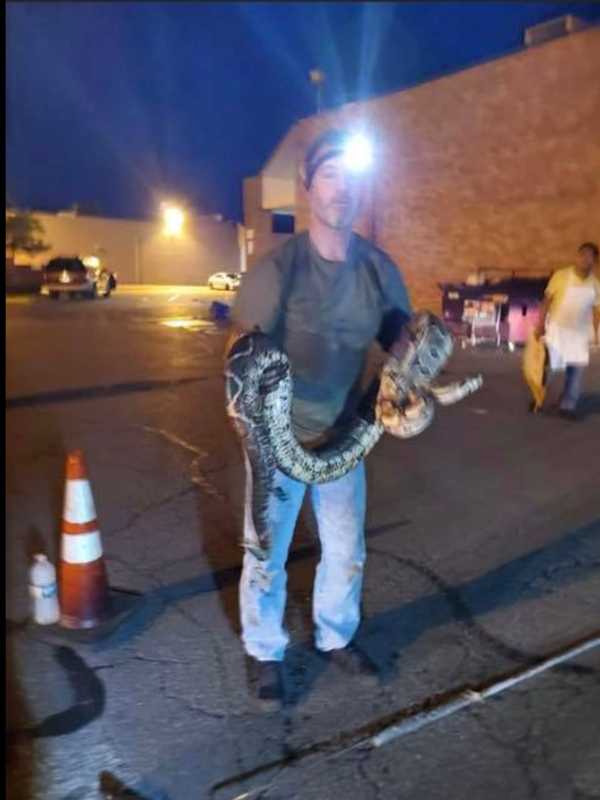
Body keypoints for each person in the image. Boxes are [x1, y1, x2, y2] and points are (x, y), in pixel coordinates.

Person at [226, 128, 413, 708]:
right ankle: (265, 651)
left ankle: (337, 636)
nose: (343, 187)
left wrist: (417, 366)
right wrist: (252, 432)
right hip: (278, 440)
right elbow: (238, 358)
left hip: (342, 440)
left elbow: (402, 343)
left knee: (346, 549)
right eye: (331, 173)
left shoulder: (378, 270)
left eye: (353, 176)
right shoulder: (278, 270)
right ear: (308, 186)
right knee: (265, 552)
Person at [534, 242, 600, 420]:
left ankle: (568, 406)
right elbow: (546, 300)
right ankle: (538, 399)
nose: (586, 259)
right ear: (577, 256)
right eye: (583, 255)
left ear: (594, 261)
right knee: (549, 370)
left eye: (590, 256)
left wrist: (596, 334)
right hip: (558, 330)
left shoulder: (595, 284)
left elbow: (596, 310)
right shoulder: (561, 276)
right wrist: (540, 324)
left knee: (576, 371)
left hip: (579, 334)